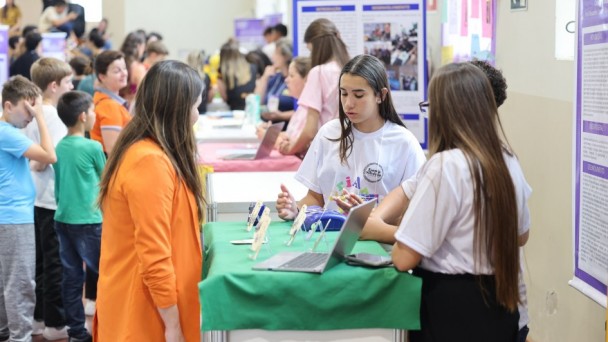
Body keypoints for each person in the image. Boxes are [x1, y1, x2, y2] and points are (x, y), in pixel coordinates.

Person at [389, 63, 531, 341]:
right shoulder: (508, 160)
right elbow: (522, 235)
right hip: (501, 301)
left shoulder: (445, 166)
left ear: (444, 111)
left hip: (452, 307)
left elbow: (404, 257)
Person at [94, 60, 204, 342]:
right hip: (146, 315)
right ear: (177, 111)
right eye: (195, 107)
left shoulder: (152, 153)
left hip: (153, 308)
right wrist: (173, 324)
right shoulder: (149, 162)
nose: (197, 116)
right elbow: (154, 253)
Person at [276, 55, 425, 220]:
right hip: (328, 239)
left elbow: (413, 212)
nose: (348, 103)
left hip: (378, 243)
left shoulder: (404, 142)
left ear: (381, 95)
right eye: (343, 93)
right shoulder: (328, 134)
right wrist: (295, 209)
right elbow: (316, 198)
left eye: (359, 95)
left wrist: (370, 219)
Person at [469, 59, 530, 342]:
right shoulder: (508, 158)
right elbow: (522, 234)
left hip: (484, 307)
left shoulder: (454, 164)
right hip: (502, 308)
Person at [0, 75, 57, 342]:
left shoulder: (8, 134)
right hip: (13, 219)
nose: (32, 115)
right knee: (20, 285)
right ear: (8, 106)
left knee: (7, 285)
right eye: (28, 108)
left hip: (10, 217)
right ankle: (19, 337)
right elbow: (50, 155)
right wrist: (43, 117)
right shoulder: (6, 133)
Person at [24, 57, 74, 340]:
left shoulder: (32, 110)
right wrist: (34, 165)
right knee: (54, 264)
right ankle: (55, 323)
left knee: (41, 262)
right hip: (49, 199)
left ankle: (40, 317)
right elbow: (45, 157)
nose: (71, 85)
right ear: (54, 85)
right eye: (68, 82)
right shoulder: (51, 116)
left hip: (36, 198)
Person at [54, 90, 105, 342]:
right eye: (94, 111)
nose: (96, 115)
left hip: (62, 218)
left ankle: (76, 331)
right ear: (84, 116)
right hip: (89, 221)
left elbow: (58, 187)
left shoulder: (59, 147)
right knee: (106, 273)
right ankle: (108, 327)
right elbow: (107, 182)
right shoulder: (93, 147)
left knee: (71, 277)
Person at [278, 18, 350, 156]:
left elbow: (310, 130)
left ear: (317, 46)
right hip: (347, 148)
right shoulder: (350, 69)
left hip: (325, 150)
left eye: (311, 50)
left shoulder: (319, 72)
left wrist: (291, 150)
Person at [89, 50, 130, 155]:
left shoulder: (101, 98)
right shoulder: (109, 106)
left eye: (124, 68)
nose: (124, 74)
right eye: (117, 71)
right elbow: (112, 149)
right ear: (102, 77)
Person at [217, 41, 256, 110]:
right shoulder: (253, 68)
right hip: (252, 110)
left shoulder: (223, 72)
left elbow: (225, 97)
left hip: (235, 111)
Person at [186, 50, 212, 114]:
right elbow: (208, 98)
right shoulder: (206, 77)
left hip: (187, 112)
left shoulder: (184, 76)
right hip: (202, 111)